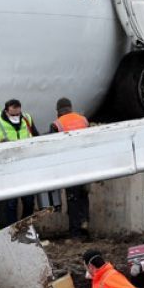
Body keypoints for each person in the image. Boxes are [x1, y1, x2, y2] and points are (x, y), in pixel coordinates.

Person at [0, 99, 40, 226]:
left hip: (26, 166)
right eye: (13, 115)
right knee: (11, 204)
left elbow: (37, 137)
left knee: (29, 201)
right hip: (8, 168)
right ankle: (13, 230)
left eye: (18, 114)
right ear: (6, 111)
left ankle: (25, 227)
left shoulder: (27, 119)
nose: (16, 117)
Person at [49, 98, 91, 241]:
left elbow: (52, 146)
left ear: (58, 111)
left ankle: (75, 233)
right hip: (85, 164)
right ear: (71, 107)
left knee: (72, 199)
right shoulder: (83, 120)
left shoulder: (57, 124)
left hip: (70, 166)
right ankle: (85, 224)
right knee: (83, 195)